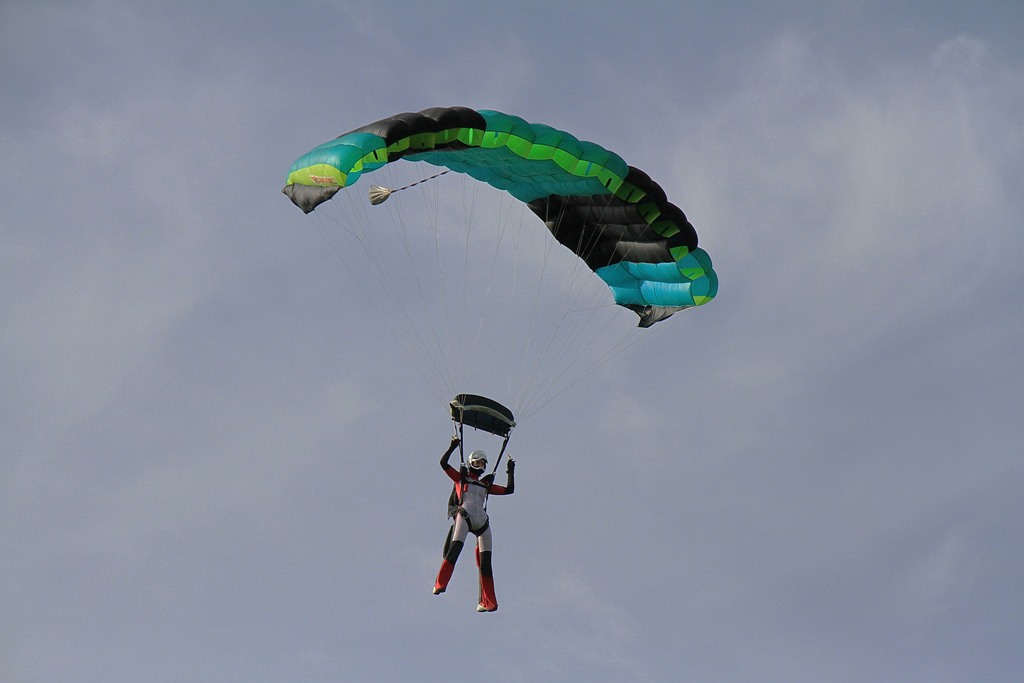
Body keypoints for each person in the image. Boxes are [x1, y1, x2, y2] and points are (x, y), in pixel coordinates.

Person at [433, 435, 515, 612]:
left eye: (483, 464)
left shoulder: (486, 485)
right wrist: (453, 446)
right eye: (477, 463)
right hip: (464, 516)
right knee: (455, 550)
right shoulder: (461, 479)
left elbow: (509, 490)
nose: (480, 466)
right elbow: (443, 463)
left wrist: (510, 469)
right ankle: (440, 584)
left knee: (486, 564)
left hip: (482, 523)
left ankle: (486, 602)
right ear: (471, 463)